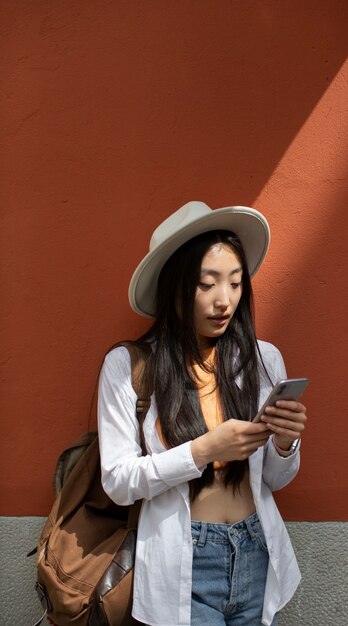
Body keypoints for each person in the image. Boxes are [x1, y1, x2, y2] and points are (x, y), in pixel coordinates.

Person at [98, 201, 307, 626]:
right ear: (174, 288)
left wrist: (285, 445)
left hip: (255, 550)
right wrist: (203, 450)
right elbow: (118, 481)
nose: (224, 301)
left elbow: (274, 480)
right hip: (185, 559)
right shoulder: (129, 367)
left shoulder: (263, 360)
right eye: (206, 284)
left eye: (234, 283)